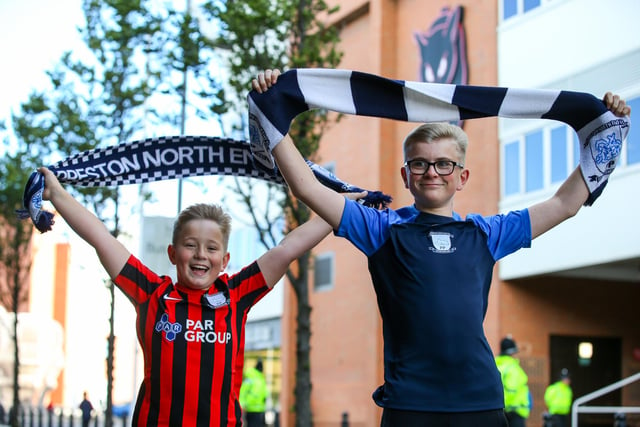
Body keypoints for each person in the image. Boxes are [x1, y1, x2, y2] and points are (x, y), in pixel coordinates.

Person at [251, 69, 631, 427]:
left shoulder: (487, 233)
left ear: (462, 176)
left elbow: (564, 205)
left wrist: (606, 134)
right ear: (406, 175)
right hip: (409, 405)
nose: (432, 172)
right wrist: (272, 106)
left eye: (444, 164)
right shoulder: (380, 229)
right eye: (420, 164)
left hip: (481, 402)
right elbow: (306, 187)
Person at [38, 166, 364, 427]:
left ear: (224, 261)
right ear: (172, 252)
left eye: (211, 248)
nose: (200, 255)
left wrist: (341, 208)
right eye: (190, 245)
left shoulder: (236, 295)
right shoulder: (153, 294)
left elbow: (288, 248)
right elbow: (100, 237)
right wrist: (56, 194)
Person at [495, 336, 530, 427]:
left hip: (499, 412)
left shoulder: (495, 365)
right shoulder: (513, 368)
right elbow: (512, 390)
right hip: (514, 413)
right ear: (512, 353)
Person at [239, 359, 268, 427]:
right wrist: (242, 406)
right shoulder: (253, 379)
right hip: (251, 409)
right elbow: (243, 393)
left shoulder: (261, 379)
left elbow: (265, 393)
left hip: (259, 410)